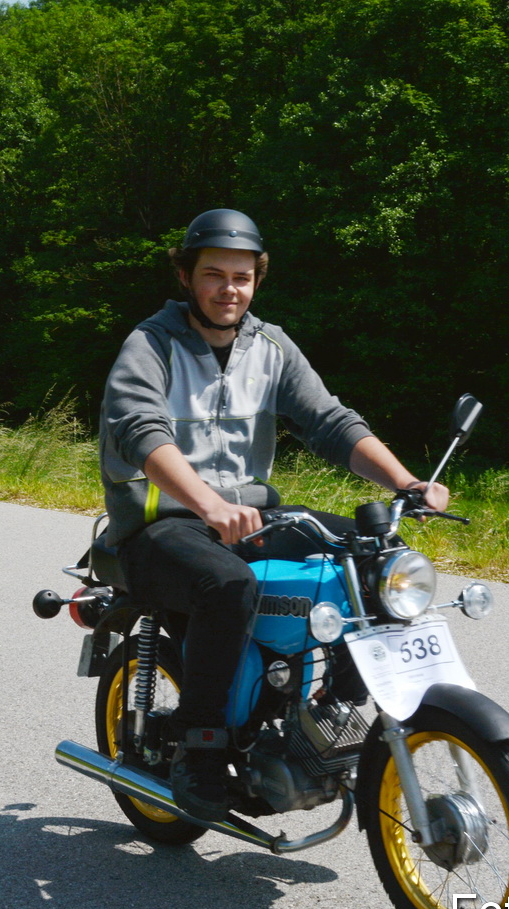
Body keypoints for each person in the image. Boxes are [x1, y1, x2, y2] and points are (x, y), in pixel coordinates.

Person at [98, 209, 449, 821]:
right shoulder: (150, 345)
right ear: (185, 277)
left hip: (248, 516)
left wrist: (406, 481)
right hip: (160, 525)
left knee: (379, 558)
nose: (228, 289)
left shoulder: (270, 346)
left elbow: (329, 421)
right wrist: (208, 503)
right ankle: (200, 748)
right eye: (213, 274)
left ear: (257, 280)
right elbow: (141, 429)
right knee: (226, 584)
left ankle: (330, 712)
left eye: (241, 277)